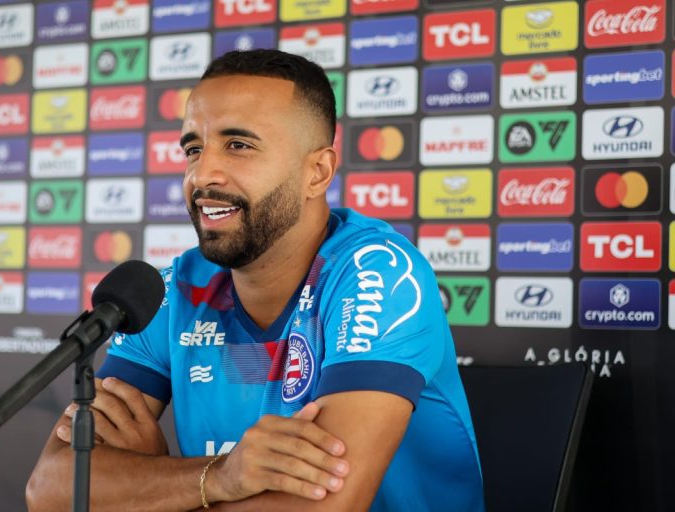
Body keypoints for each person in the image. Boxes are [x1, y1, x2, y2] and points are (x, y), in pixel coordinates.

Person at [26, 49, 484, 512]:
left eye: (239, 145)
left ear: (317, 172)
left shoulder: (375, 273)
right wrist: (220, 477)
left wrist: (155, 488)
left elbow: (322, 507)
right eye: (193, 148)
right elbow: (50, 489)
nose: (202, 174)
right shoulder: (177, 287)